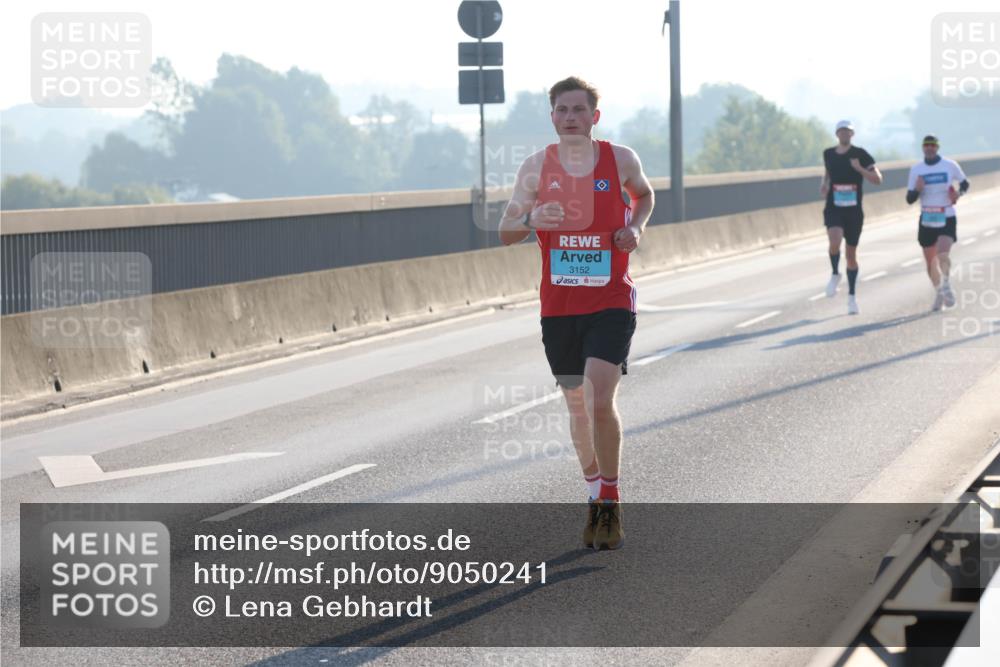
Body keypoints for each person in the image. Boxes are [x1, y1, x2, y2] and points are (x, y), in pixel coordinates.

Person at [498, 76, 654, 550]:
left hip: (610, 301)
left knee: (598, 398)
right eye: (562, 110)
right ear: (552, 117)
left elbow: (644, 196)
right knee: (577, 406)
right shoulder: (535, 167)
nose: (570, 117)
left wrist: (635, 228)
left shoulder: (619, 159)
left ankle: (609, 501)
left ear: (594, 117)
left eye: (579, 110)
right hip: (559, 308)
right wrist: (530, 220)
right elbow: (505, 230)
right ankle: (592, 491)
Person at [820, 120, 883, 314]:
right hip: (834, 206)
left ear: (852, 134)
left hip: (854, 211)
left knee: (850, 255)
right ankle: (835, 273)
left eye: (848, 131)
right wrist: (824, 183)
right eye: (841, 131)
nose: (844, 134)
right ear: (837, 134)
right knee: (834, 240)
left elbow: (878, 179)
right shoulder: (828, 154)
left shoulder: (860, 154)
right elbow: (828, 172)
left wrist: (860, 169)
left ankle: (852, 297)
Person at [905, 135, 970, 311]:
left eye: (932, 145)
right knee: (930, 263)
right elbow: (909, 199)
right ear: (923, 148)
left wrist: (958, 194)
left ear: (937, 147)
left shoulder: (949, 165)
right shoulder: (916, 169)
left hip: (946, 215)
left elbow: (965, 183)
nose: (929, 148)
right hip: (927, 218)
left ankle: (946, 284)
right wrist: (918, 189)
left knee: (942, 253)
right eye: (926, 145)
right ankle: (939, 292)